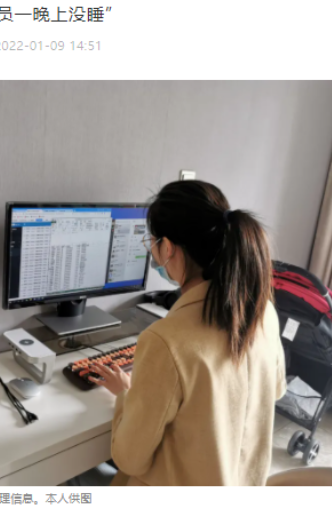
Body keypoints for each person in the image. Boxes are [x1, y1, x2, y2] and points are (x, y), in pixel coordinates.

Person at [70, 180, 286, 486]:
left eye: (152, 241)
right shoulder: (263, 311)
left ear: (168, 248)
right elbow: (274, 390)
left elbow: (130, 458)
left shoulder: (166, 340)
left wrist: (127, 395)